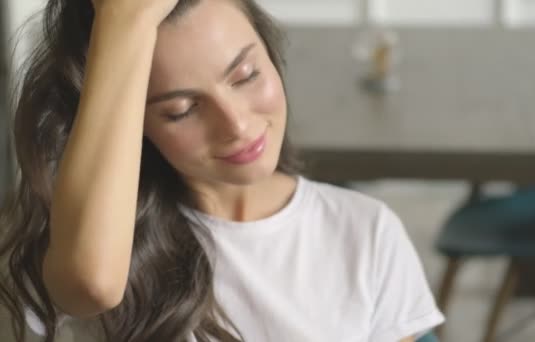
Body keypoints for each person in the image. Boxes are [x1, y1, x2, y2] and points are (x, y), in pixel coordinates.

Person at [0, 0, 444, 341]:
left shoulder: (367, 233)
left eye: (246, 75)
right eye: (182, 109)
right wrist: (122, 17)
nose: (236, 125)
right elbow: (92, 283)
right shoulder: (100, 247)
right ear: (132, 126)